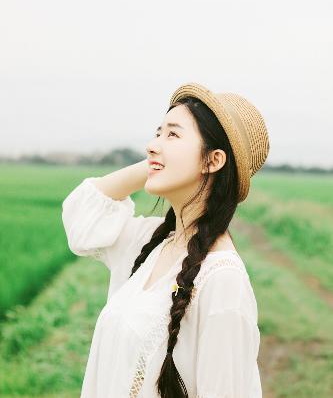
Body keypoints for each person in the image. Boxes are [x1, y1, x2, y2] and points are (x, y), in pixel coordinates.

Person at [62, 81, 270, 398]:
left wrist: (162, 160)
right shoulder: (151, 241)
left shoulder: (223, 281)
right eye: (158, 132)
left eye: (173, 134)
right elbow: (81, 220)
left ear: (213, 160)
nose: (152, 145)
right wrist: (157, 161)